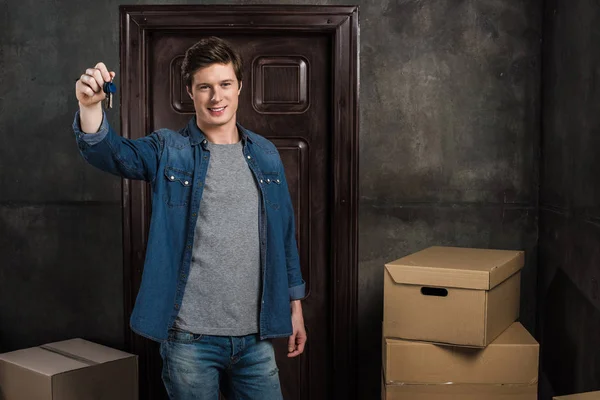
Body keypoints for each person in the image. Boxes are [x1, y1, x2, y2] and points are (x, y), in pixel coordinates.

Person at [73, 36, 307, 400]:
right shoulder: (170, 149)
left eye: (225, 84)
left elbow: (285, 236)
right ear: (191, 92)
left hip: (256, 338)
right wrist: (90, 108)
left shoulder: (265, 154)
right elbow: (112, 154)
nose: (217, 97)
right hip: (190, 340)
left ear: (240, 86)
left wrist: (295, 309)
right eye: (205, 87)